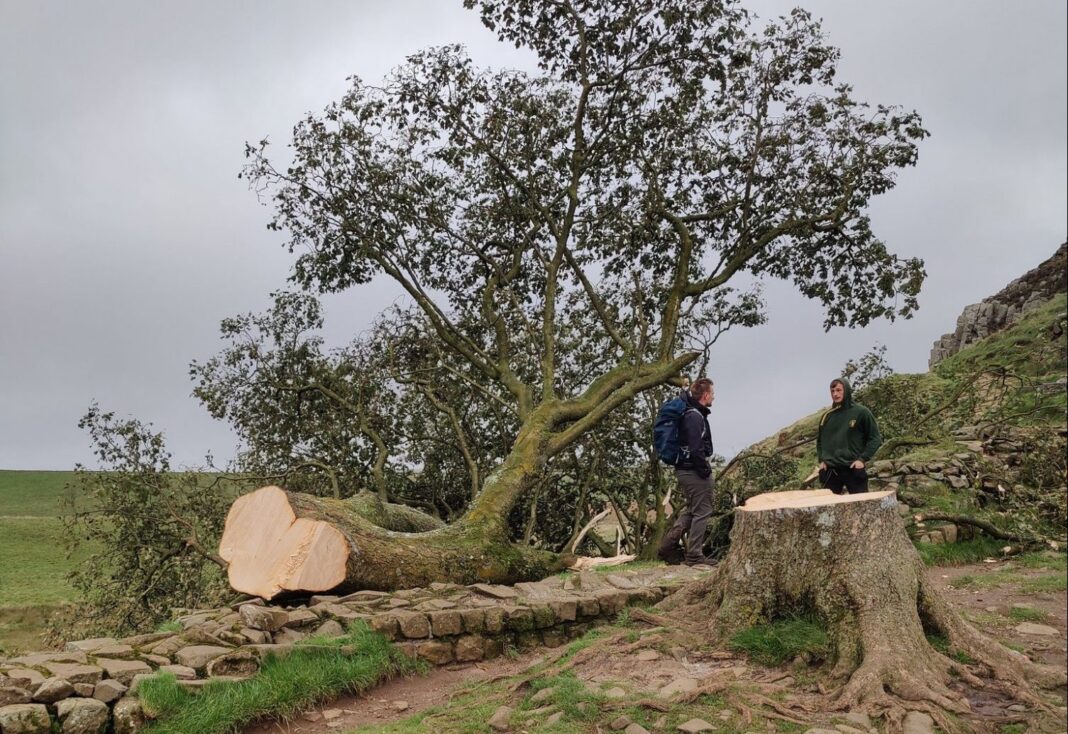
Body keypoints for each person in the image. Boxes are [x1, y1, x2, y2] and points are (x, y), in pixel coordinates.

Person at [657, 377, 717, 566]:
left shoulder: (690, 414)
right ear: (705, 395)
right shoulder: (694, 416)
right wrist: (705, 470)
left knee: (692, 510)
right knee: (703, 511)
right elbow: (695, 447)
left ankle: (668, 545)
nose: (714, 398)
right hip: (693, 471)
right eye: (713, 394)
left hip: (685, 470)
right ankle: (694, 555)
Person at [816, 377, 882, 494]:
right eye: (832, 391)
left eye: (838, 390)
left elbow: (875, 438)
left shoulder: (861, 412)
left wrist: (862, 459)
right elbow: (820, 441)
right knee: (829, 508)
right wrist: (822, 460)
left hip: (853, 469)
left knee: (861, 506)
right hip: (831, 471)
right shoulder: (827, 417)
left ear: (846, 390)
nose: (835, 394)